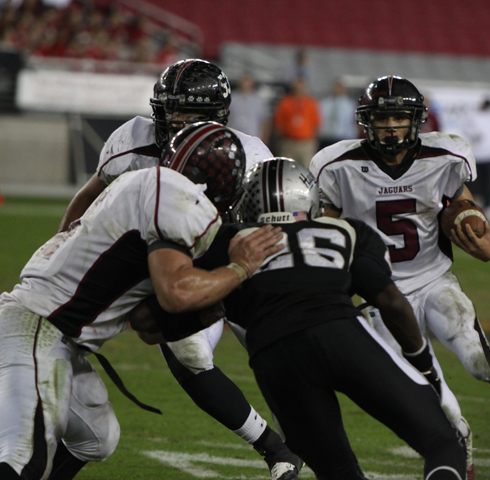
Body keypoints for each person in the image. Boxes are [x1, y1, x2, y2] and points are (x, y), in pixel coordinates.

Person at [310, 76, 490, 480]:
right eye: (382, 118)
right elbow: (326, 235)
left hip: (434, 279)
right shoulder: (337, 166)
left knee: (482, 361)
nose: (390, 127)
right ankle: (461, 461)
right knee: (432, 393)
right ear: (367, 122)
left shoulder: (445, 156)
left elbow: (468, 213)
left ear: (416, 120)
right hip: (380, 295)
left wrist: (476, 229)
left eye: (399, 118)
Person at [139, 158, 468, 480]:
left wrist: (218, 299)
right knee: (443, 443)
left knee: (338, 472)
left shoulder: (227, 241)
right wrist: (423, 364)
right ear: (309, 197)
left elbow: (150, 323)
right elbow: (392, 301)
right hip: (339, 331)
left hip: (274, 355)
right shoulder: (346, 231)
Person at [55, 59, 302, 479]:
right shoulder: (133, 140)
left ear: (221, 117)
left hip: (239, 265)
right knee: (186, 350)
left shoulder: (250, 151)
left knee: (288, 352)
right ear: (159, 110)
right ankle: (275, 450)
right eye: (177, 112)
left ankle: (297, 439)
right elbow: (89, 195)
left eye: (197, 115)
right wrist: (60, 248)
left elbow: (280, 220)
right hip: (176, 269)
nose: (185, 122)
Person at [0, 123, 285, 480]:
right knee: (25, 459)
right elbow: (176, 292)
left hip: (55, 334)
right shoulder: (177, 198)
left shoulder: (146, 182)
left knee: (97, 438)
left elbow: (148, 324)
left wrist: (219, 303)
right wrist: (240, 270)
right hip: (39, 328)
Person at [465, 98, 490, 222]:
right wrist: (475, 134)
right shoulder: (473, 116)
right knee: (473, 182)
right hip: (477, 154)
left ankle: (489, 207)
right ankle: (470, 205)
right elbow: (467, 130)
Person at [273, 76, 322, 168]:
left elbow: (316, 124)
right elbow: (279, 124)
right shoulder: (285, 102)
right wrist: (280, 142)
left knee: (307, 170)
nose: (299, 89)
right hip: (289, 143)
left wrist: (313, 142)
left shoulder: (311, 103)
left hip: (306, 144)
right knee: (286, 170)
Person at [227, 73, 271, 145]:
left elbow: (265, 121)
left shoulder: (259, 100)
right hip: (234, 137)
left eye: (248, 82)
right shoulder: (232, 98)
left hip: (253, 138)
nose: (245, 84)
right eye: (244, 81)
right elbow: (228, 118)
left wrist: (264, 140)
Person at [317, 78, 358, 150]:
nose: (338, 89)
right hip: (326, 138)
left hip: (343, 138)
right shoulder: (325, 103)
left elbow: (352, 122)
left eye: (340, 87)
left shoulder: (350, 105)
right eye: (336, 87)